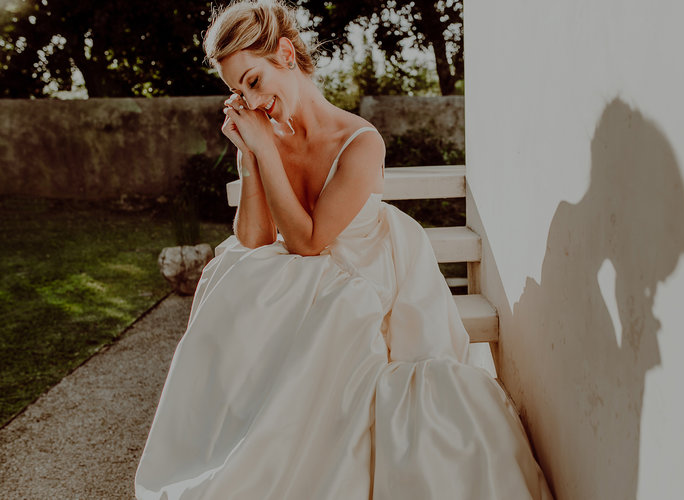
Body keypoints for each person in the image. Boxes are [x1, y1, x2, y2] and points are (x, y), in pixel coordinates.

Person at [135, 1, 552, 498]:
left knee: (340, 311)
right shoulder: (268, 137)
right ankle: (239, 437)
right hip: (304, 271)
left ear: (285, 54)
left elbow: (310, 242)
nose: (249, 100)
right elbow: (254, 239)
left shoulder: (360, 141)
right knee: (235, 275)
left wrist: (266, 150)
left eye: (253, 80)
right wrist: (250, 156)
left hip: (365, 267)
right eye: (237, 91)